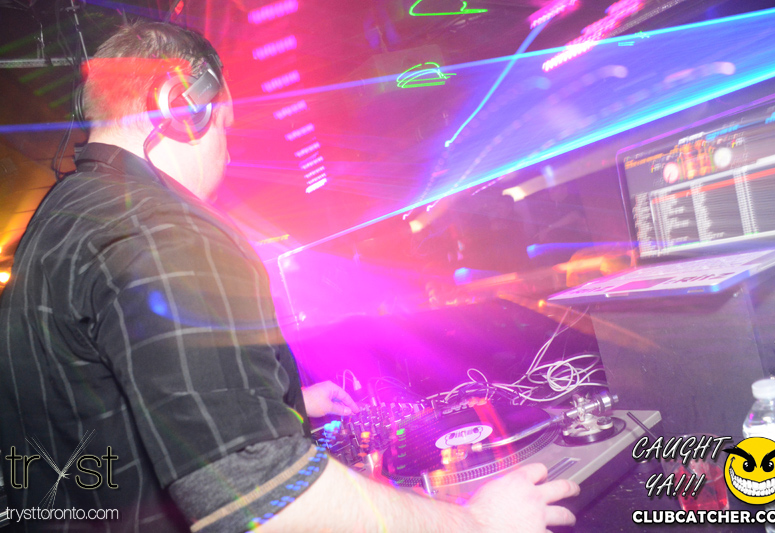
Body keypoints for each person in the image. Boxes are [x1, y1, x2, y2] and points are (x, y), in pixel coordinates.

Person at [0, 21, 578, 532]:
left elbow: (96, 398)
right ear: (180, 106)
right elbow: (257, 498)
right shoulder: (165, 230)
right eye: (225, 127)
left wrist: (289, 401)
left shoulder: (60, 216)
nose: (227, 154)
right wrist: (477, 523)